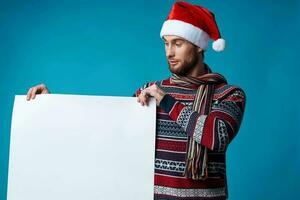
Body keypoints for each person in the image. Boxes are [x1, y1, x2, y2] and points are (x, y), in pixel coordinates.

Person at [27, 1, 246, 199]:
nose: (169, 52)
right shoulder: (149, 91)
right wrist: (50, 106)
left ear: (199, 46)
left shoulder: (227, 94)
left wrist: (167, 101)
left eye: (178, 43)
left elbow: (217, 137)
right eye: (166, 43)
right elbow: (108, 132)